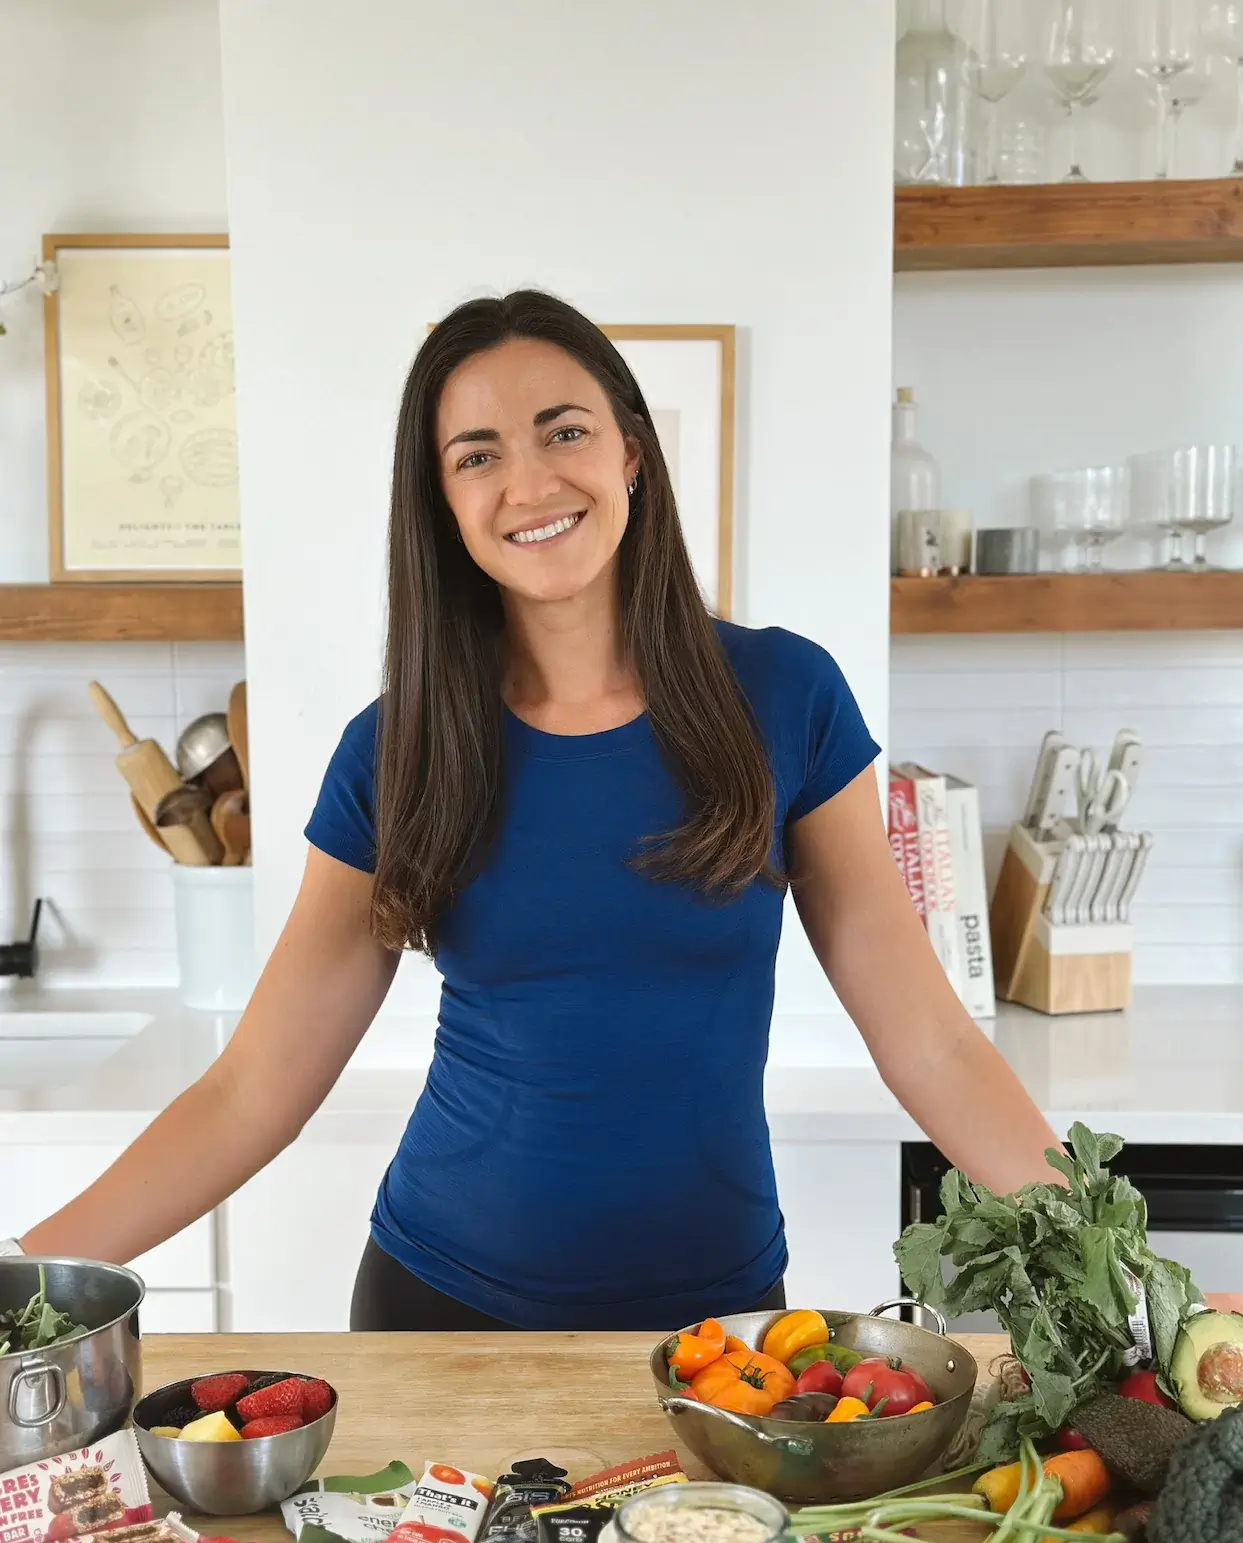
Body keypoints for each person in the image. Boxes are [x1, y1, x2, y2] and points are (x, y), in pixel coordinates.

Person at [11, 292, 1083, 1331]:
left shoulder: (784, 696)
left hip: (718, 1334)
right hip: (441, 1311)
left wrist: (1112, 1269)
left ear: (628, 452)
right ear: (442, 500)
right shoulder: (394, 752)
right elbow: (251, 1092)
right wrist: (24, 1286)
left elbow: (931, 1041)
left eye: (560, 431)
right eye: (476, 454)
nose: (527, 481)